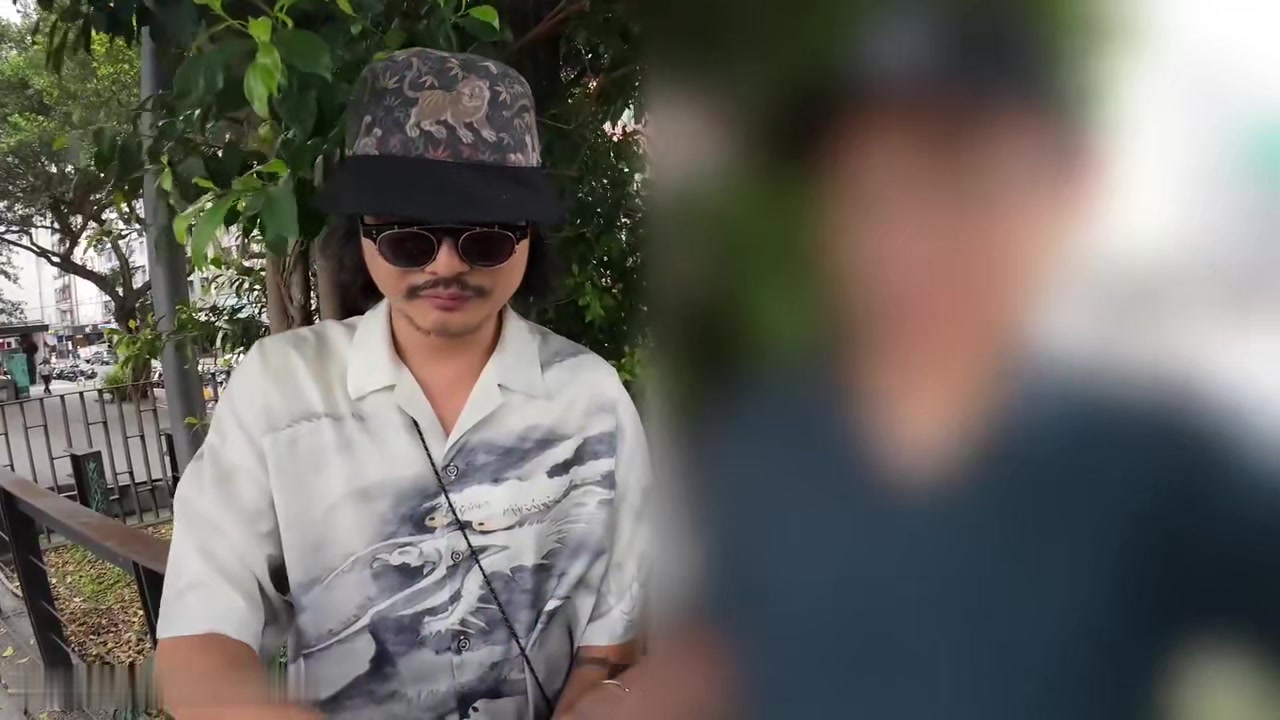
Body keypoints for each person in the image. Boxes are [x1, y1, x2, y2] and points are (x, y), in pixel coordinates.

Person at [569, 4, 1280, 720]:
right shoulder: (760, 443)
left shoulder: (1155, 470)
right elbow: (745, 647)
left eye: (964, 181)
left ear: (1069, 187)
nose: (910, 240)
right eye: (873, 189)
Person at [155, 48, 650, 720]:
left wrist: (599, 700)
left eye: (485, 238)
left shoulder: (591, 399)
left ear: (529, 236)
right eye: (408, 238)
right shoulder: (282, 389)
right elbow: (200, 638)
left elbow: (615, 638)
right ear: (361, 234)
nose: (445, 265)